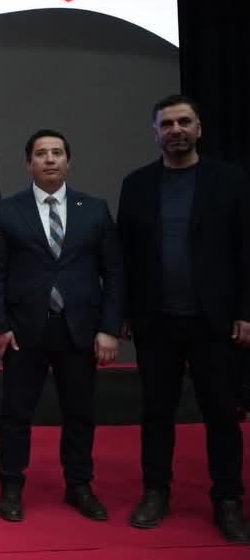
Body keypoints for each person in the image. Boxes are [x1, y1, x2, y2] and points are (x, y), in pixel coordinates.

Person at [117, 95, 250, 543]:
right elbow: (125, 257)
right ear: (155, 132)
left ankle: (228, 500)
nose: (176, 130)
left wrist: (245, 312)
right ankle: (156, 492)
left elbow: (245, 251)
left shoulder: (230, 181)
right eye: (167, 124)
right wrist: (123, 313)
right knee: (157, 412)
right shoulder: (136, 185)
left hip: (215, 321)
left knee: (222, 413)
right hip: (156, 321)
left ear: (199, 128)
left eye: (184, 122)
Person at [0, 129, 122, 523]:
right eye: (41, 153)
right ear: (28, 163)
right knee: (15, 412)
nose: (49, 159)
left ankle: (79, 485)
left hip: (80, 329)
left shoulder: (94, 209)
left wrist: (109, 328)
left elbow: (114, 272)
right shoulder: (7, 210)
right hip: (23, 330)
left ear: (68, 162)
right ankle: (12, 485)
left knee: (80, 412)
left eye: (57, 153)